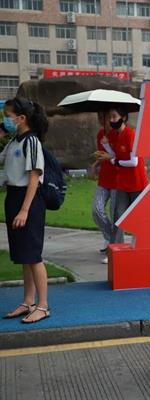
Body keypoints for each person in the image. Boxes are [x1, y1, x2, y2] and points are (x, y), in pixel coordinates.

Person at [0, 97, 51, 323]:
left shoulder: (32, 142)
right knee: (24, 255)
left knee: (33, 255)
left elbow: (34, 177)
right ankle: (28, 301)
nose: (5, 120)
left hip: (28, 200)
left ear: (21, 118)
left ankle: (43, 305)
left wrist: (24, 210)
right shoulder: (14, 141)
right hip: (13, 197)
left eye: (8, 117)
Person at [95, 107, 148, 244]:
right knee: (118, 218)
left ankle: (143, 243)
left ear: (123, 118)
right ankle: (115, 248)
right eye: (110, 117)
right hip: (122, 184)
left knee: (139, 217)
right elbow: (115, 155)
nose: (111, 120)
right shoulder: (116, 135)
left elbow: (133, 162)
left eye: (114, 117)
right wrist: (106, 146)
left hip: (137, 183)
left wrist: (115, 161)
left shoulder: (130, 134)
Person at [91, 111, 117, 263]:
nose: (101, 120)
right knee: (97, 210)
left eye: (104, 117)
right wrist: (96, 164)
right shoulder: (100, 134)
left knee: (115, 214)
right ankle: (109, 238)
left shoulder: (118, 134)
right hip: (104, 179)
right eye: (99, 117)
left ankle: (112, 246)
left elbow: (120, 156)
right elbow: (103, 155)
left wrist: (108, 151)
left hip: (118, 180)